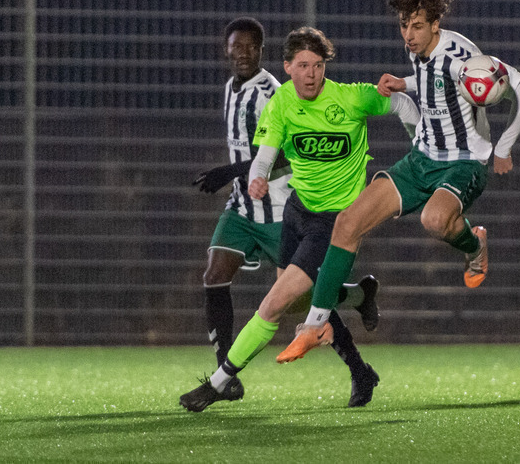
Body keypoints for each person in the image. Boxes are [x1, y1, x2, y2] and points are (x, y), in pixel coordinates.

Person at [277, 0, 520, 363]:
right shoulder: (419, 51)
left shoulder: (461, 54)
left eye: (417, 26)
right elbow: (433, 81)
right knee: (347, 223)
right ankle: (315, 326)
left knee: (434, 221)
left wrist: (504, 147)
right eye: (404, 26)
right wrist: (404, 83)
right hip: (421, 159)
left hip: (463, 162)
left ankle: (474, 243)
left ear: (436, 23)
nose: (409, 34)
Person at [179, 26, 420, 411]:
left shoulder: (351, 98)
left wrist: (419, 151)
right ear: (289, 66)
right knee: (293, 300)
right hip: (294, 213)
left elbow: (403, 105)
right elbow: (266, 151)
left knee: (275, 303)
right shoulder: (282, 102)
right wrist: (256, 176)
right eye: (303, 65)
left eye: (319, 65)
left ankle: (219, 382)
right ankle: (359, 307)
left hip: (329, 224)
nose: (311, 73)